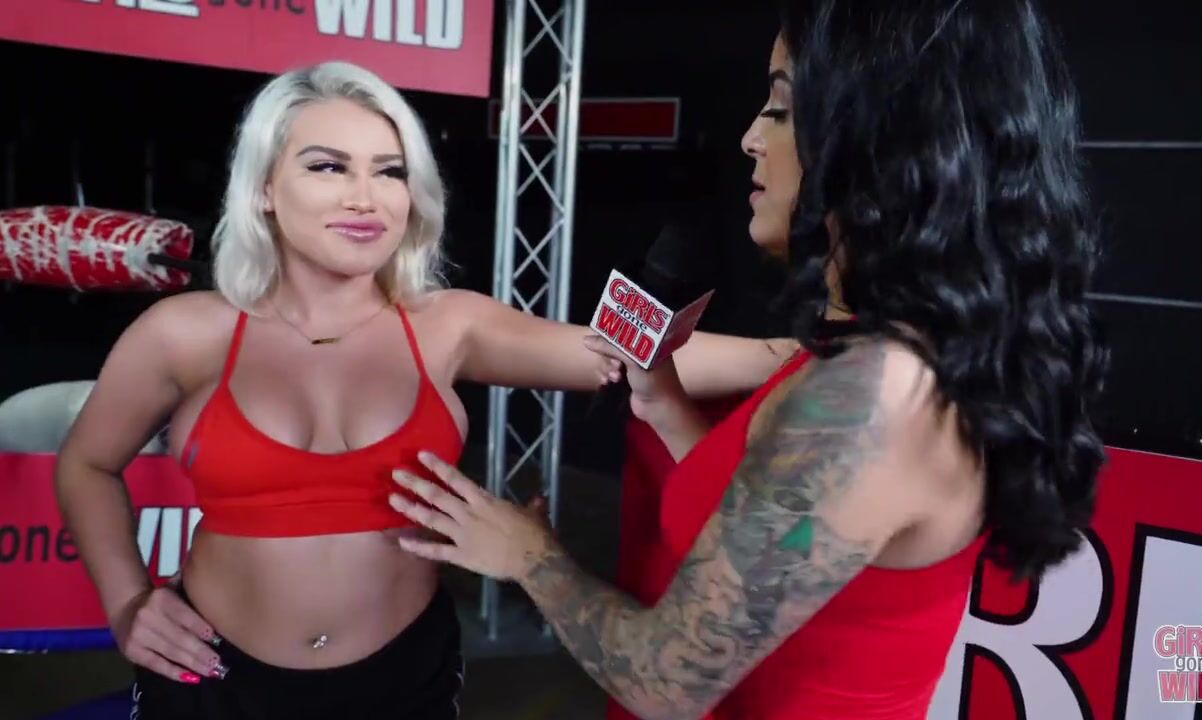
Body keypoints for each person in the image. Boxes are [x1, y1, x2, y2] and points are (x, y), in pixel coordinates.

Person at [388, 1, 1109, 718]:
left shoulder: (871, 396)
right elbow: (777, 537)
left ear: (878, 140)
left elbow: (667, 681)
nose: (750, 139)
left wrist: (529, 555)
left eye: (782, 111)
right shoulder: (879, 354)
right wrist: (666, 405)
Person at [53, 61, 792, 719]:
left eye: (390, 171)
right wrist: (127, 603)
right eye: (328, 167)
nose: (365, 197)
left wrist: (804, 354)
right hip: (214, 681)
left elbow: (634, 355)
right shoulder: (183, 333)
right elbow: (86, 464)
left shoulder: (447, 326)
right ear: (266, 189)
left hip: (404, 681)